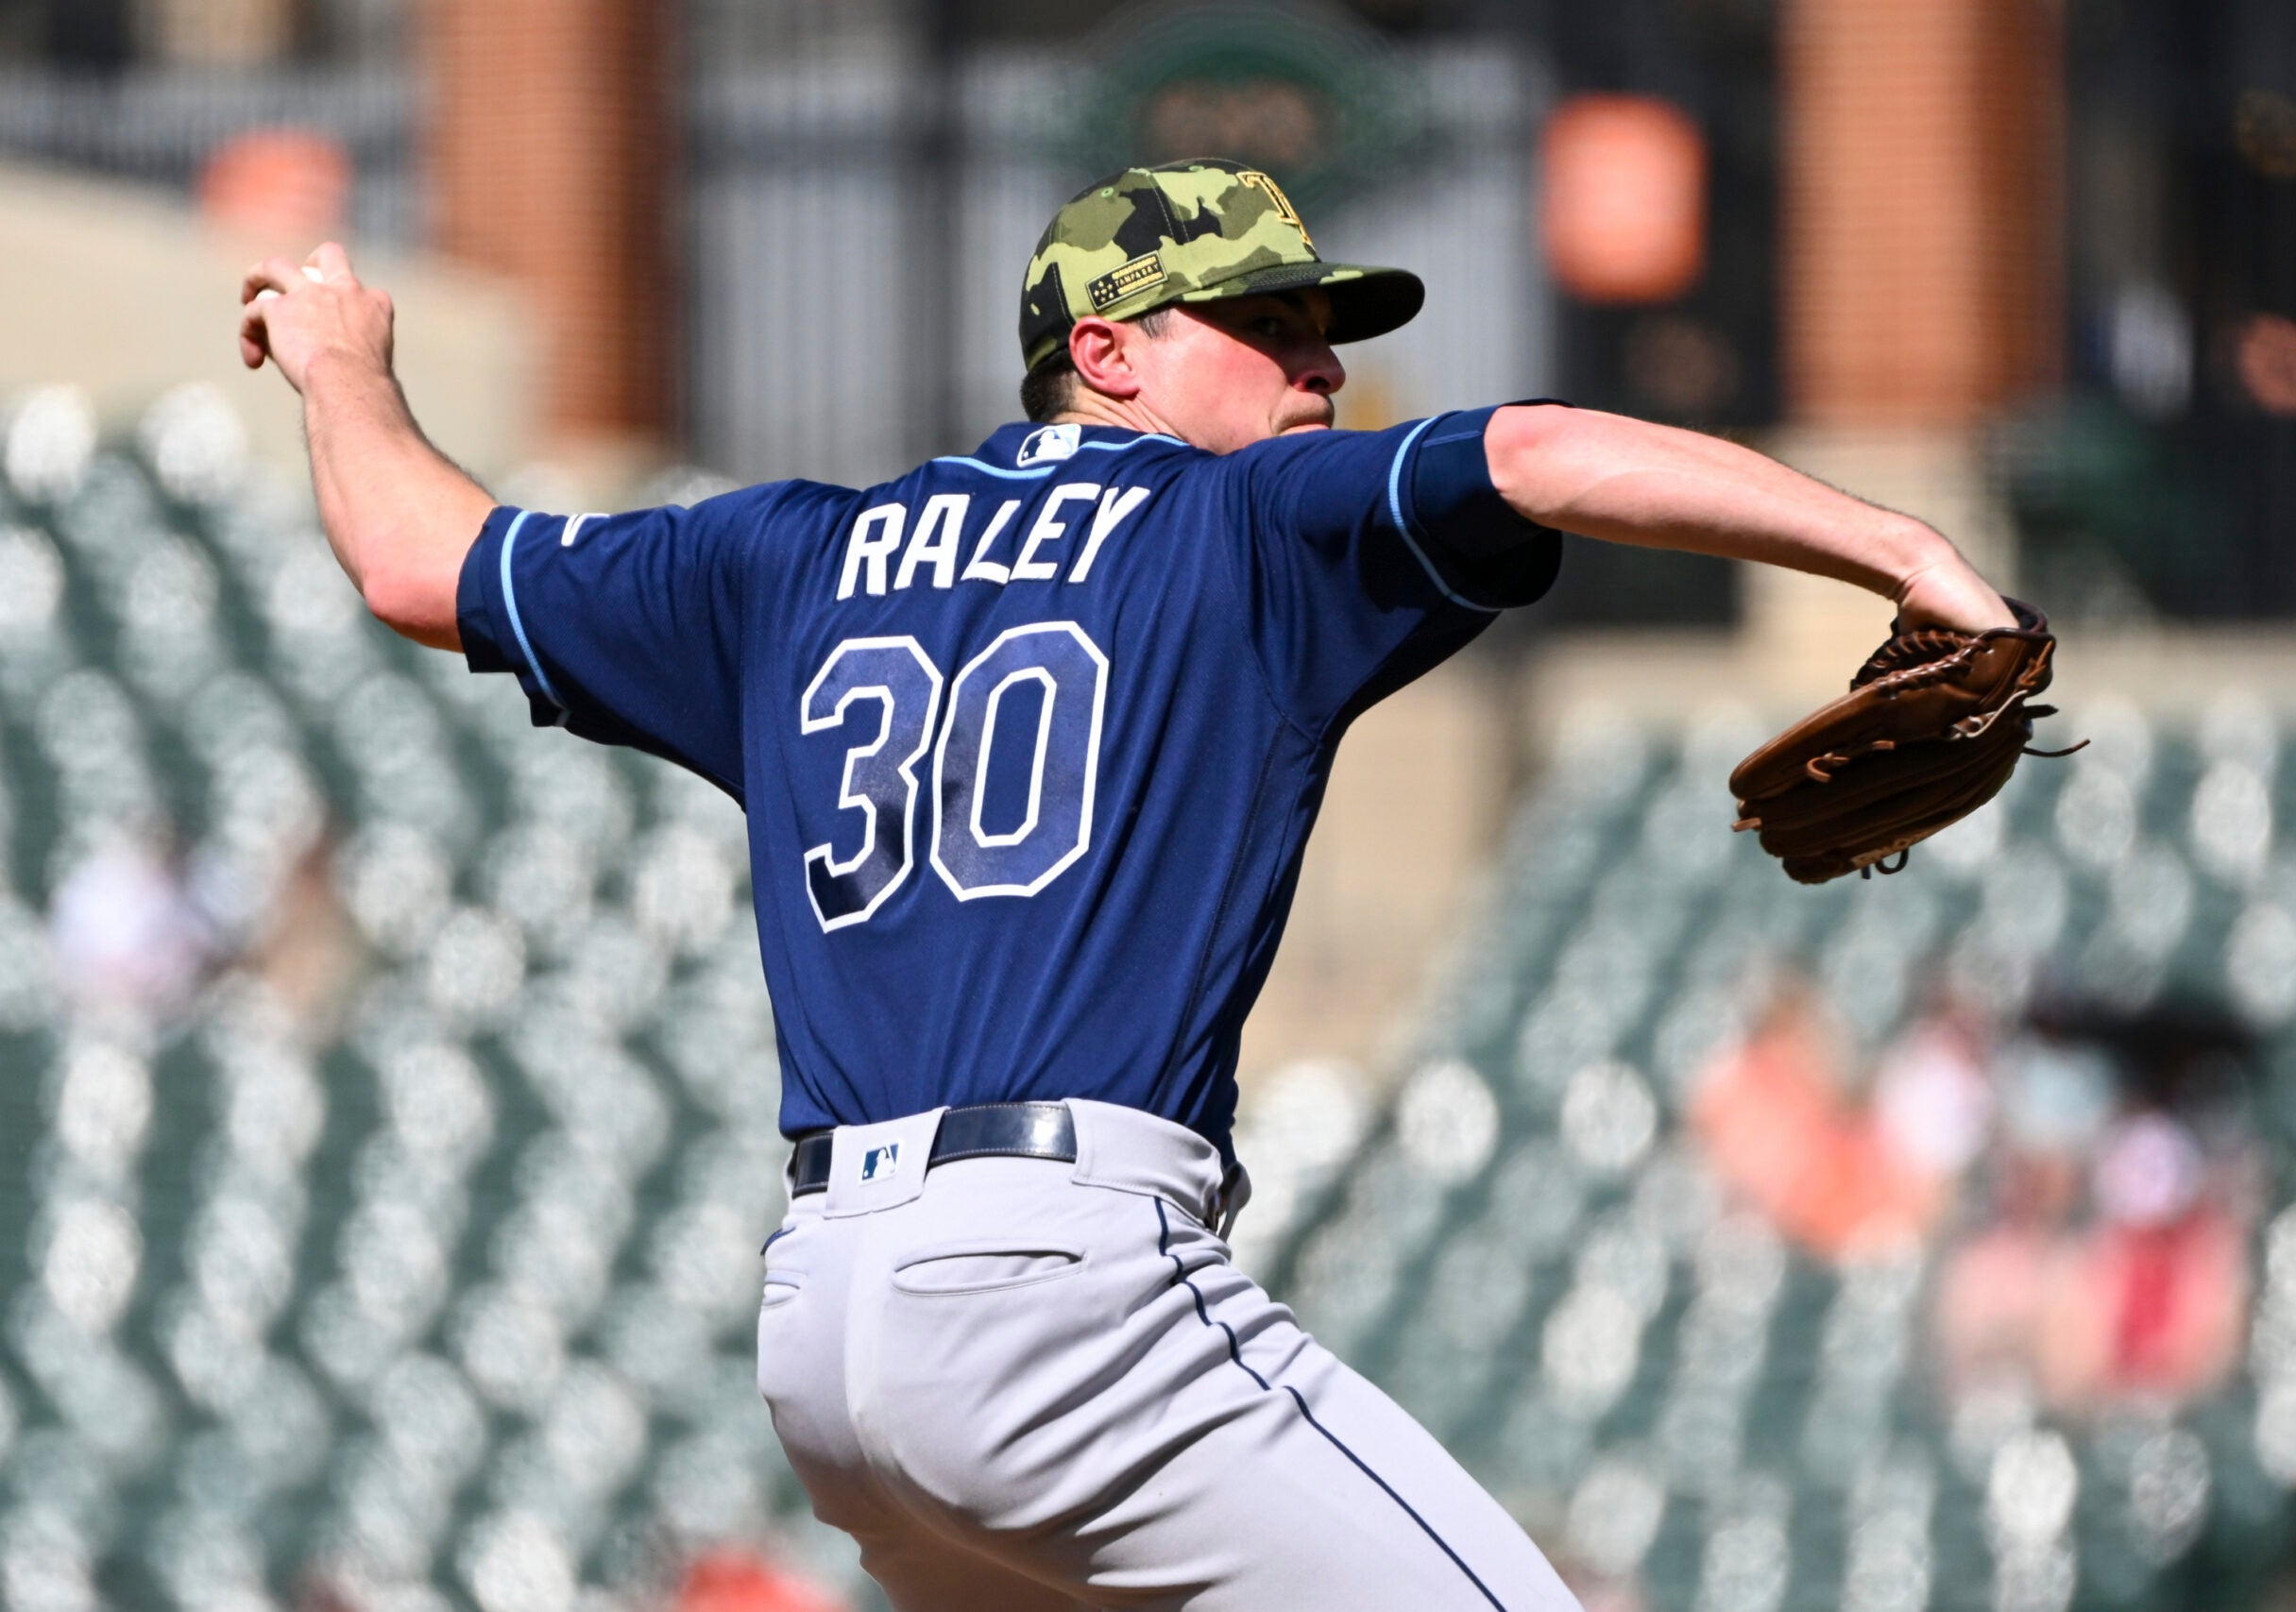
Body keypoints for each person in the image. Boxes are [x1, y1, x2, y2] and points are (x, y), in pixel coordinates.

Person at [239, 158, 2015, 1610]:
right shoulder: (1238, 529)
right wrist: (1909, 548)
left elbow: (417, 560)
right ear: (1108, 354)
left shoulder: (787, 556)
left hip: (830, 1335)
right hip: (1063, 1289)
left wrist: (339, 365)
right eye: (1269, 331)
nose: (1319, 377)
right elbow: (1537, 450)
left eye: (1326, 340)